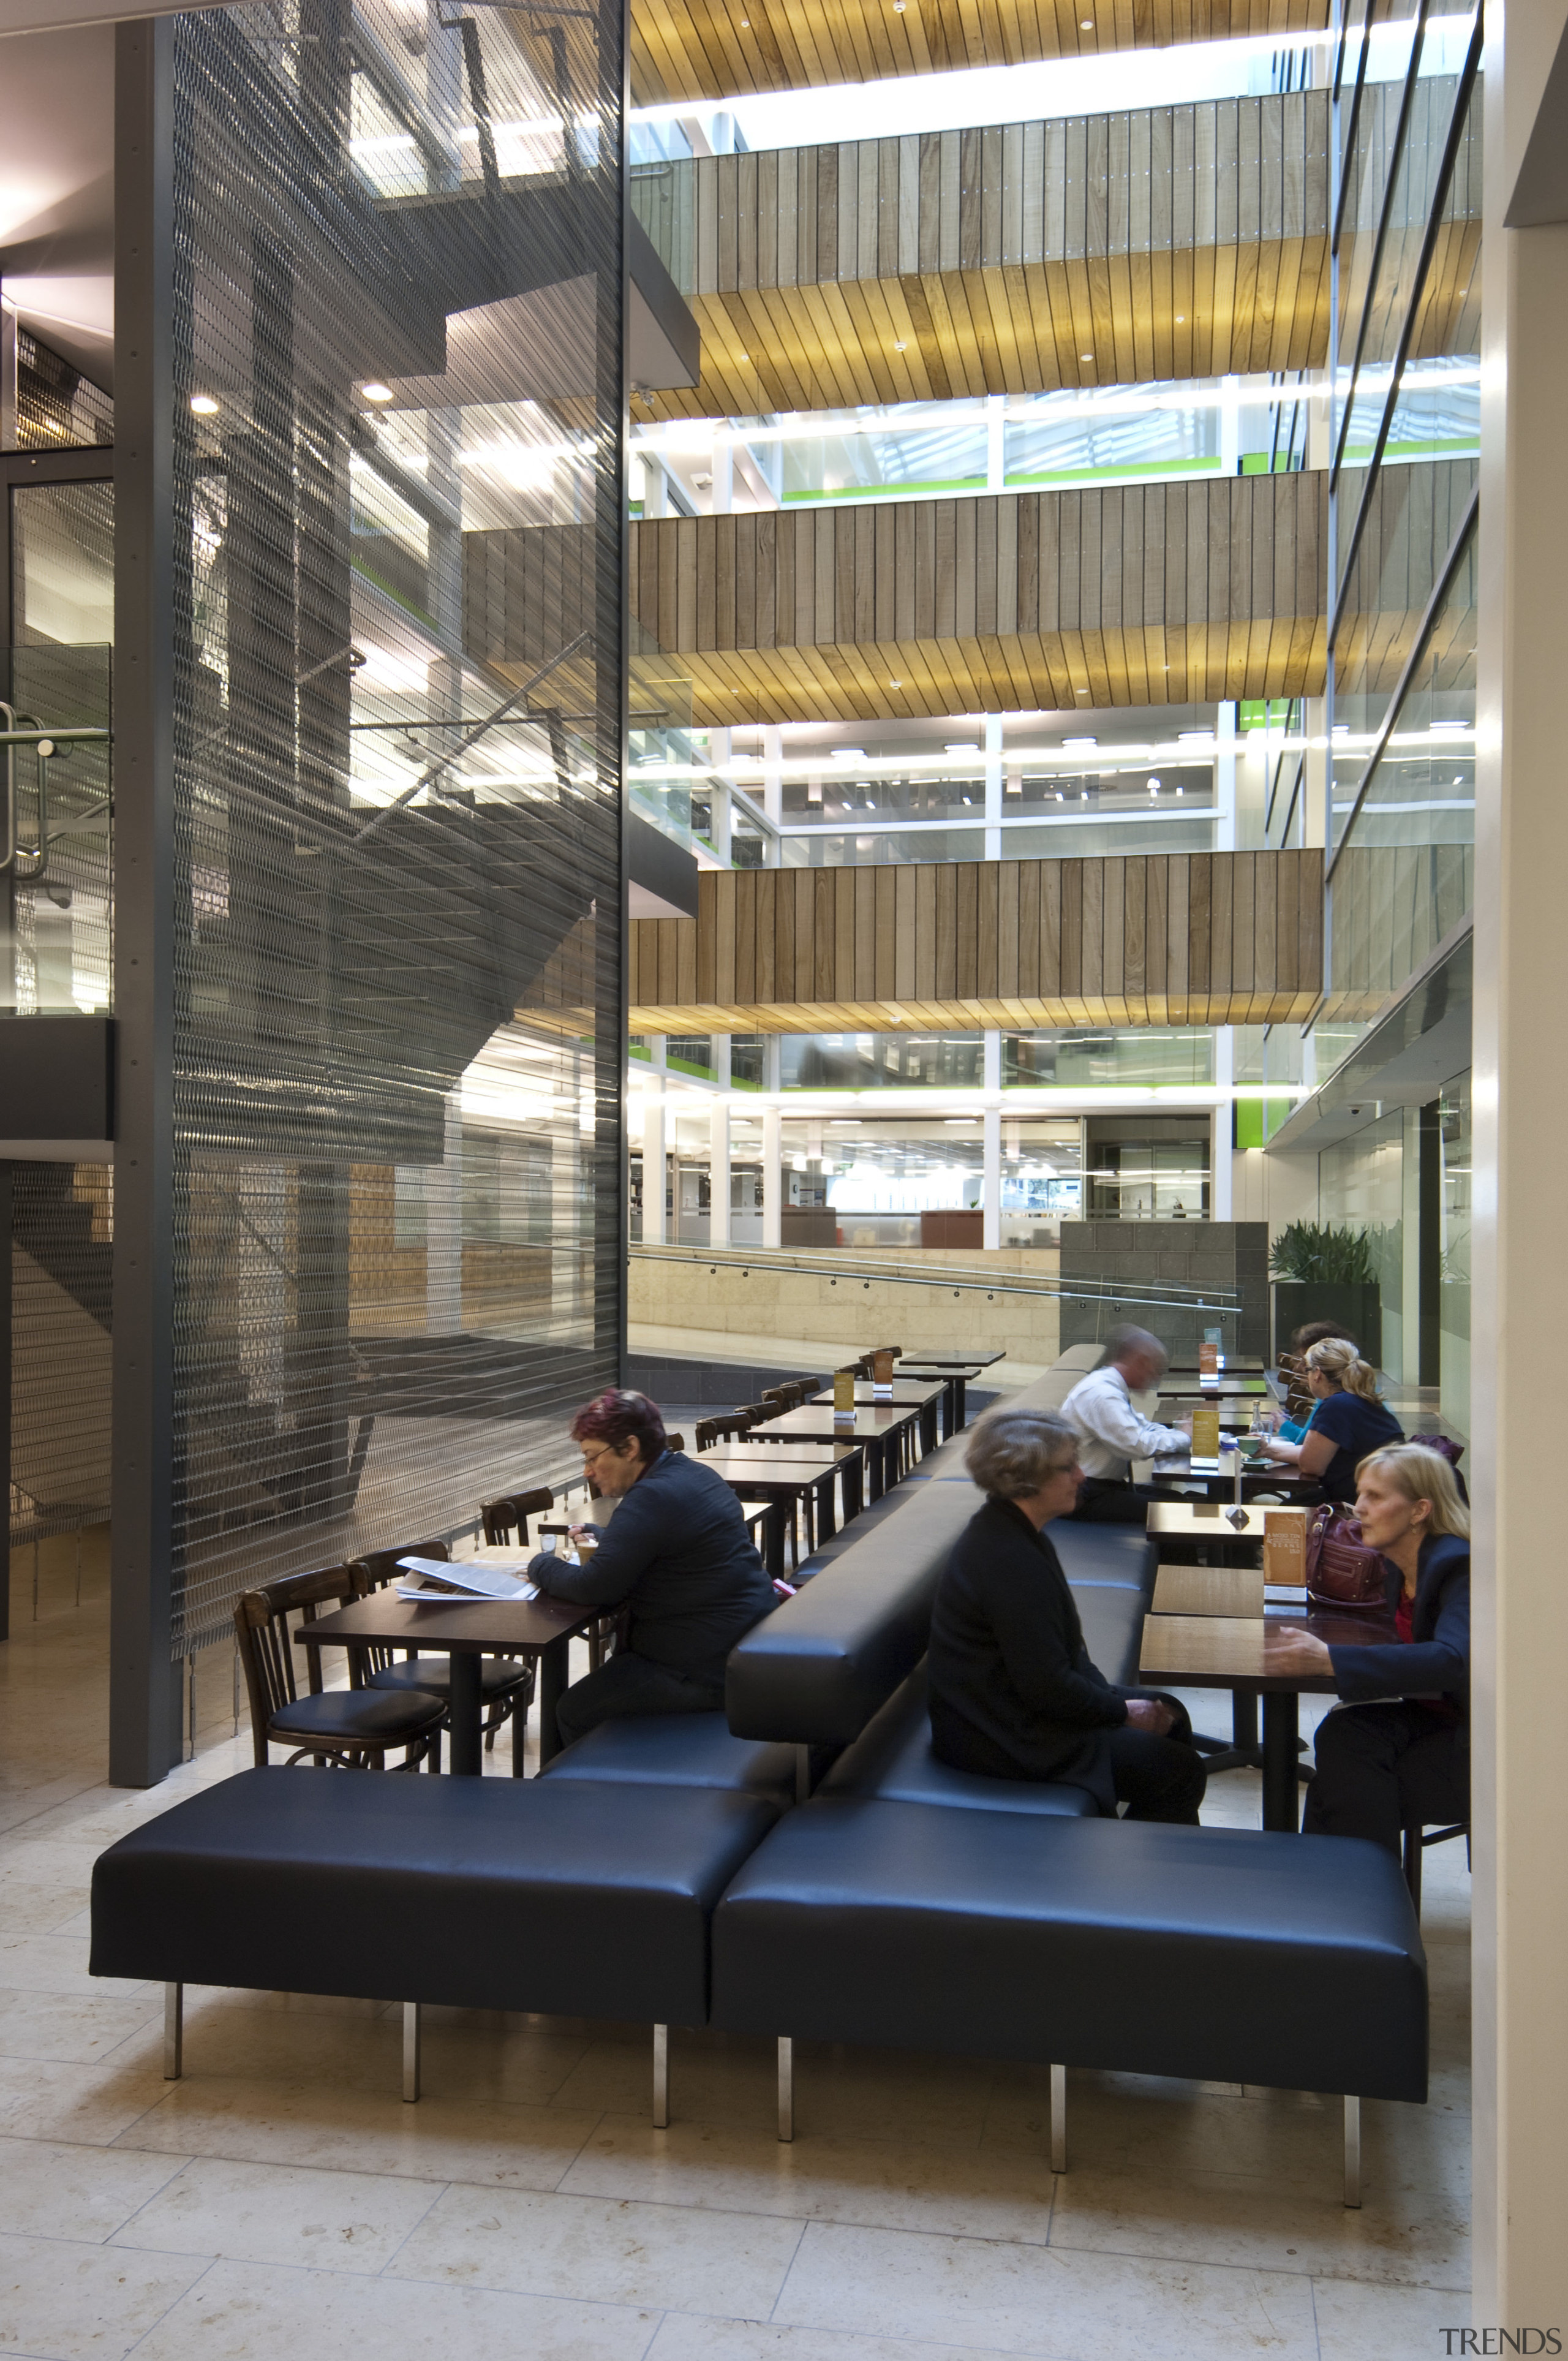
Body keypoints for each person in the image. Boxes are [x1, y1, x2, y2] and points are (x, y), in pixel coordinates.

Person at [927, 1405, 1206, 1821]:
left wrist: (1112, 1700)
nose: (1082, 1476)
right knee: (1178, 1770)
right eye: (1068, 1467)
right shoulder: (1007, 1559)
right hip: (996, 1735)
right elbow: (1046, 1687)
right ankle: (1144, 1878)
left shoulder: (1019, 1532)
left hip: (1016, 1709)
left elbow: (1066, 1653)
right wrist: (1119, 1710)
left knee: (1170, 1713)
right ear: (1025, 1479)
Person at [527, 1389, 776, 1746]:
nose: (588, 1472)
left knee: (575, 1710)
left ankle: (596, 1797)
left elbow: (591, 1588)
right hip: (740, 1650)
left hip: (700, 1670)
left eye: (592, 1457)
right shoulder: (695, 1474)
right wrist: (608, 1538)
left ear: (629, 1448)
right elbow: (659, 1541)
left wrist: (540, 1564)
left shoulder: (651, 1498)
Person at [1272, 1444, 1469, 1854]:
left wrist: (1331, 1659)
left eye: (1375, 1497)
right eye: (1359, 1494)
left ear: (1419, 1511)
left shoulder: (1459, 1567)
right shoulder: (1402, 1564)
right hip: (1436, 1715)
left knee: (1342, 1790)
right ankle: (1350, 1902)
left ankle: (1361, 1907)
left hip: (1485, 1738)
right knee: (1344, 1734)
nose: (1358, 1508)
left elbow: (1452, 1660)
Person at [1058, 1324, 1191, 1524]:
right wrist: (1184, 1437)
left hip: (1101, 1487)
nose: (1155, 1378)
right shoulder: (1102, 1395)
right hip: (1081, 1494)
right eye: (1155, 1369)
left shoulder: (1110, 1386)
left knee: (1176, 1501)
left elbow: (1143, 1427)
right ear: (1140, 1362)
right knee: (1171, 1512)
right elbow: (1136, 1445)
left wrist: (1182, 1434)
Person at [1261, 1334, 1402, 1502]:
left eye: (1308, 1370)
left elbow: (1312, 1465)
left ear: (1317, 1374)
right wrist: (1266, 1449)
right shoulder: (1358, 1400)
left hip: (1365, 1500)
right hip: (1385, 1493)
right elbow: (1314, 1452)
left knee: (1287, 1515)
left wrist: (1268, 1451)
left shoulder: (1336, 1405)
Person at [1279, 1317, 1360, 1424]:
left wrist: (1282, 1425)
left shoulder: (1335, 1404)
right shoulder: (1348, 1395)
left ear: (1318, 1372)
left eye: (1305, 1364)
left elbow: (1306, 1440)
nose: (1296, 1368)